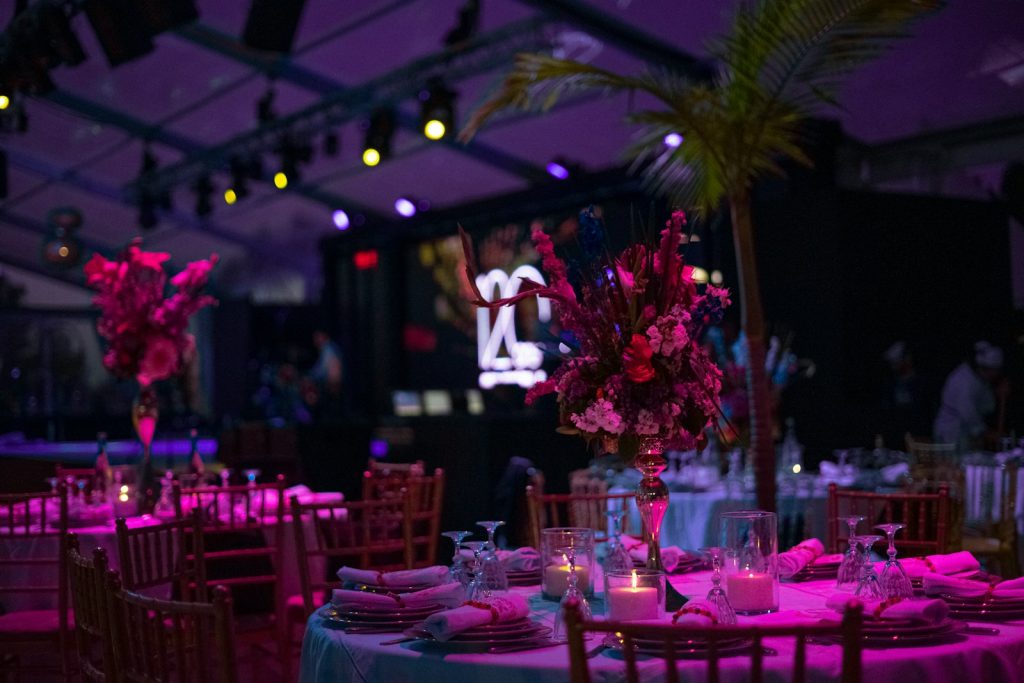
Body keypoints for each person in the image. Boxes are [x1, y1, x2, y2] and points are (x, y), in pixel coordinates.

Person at [933, 341, 1006, 449]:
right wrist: (985, 433)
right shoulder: (964, 379)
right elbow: (967, 411)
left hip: (966, 433)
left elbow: (988, 407)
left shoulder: (981, 380)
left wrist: (999, 394)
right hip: (951, 432)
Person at [309, 329, 343, 414]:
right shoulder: (327, 349)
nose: (315, 340)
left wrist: (311, 376)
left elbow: (323, 369)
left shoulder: (328, 349)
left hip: (331, 384)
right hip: (330, 383)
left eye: (317, 337)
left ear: (323, 336)